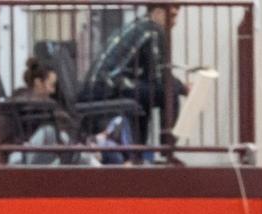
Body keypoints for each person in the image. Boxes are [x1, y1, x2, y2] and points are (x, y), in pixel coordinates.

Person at [78, 3, 186, 156]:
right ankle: (167, 149)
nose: (175, 22)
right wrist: (182, 88)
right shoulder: (153, 30)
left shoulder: (139, 26)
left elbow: (152, 75)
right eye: (173, 16)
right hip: (108, 87)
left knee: (146, 94)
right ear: (158, 12)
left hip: (99, 86)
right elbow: (159, 76)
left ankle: (138, 153)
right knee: (170, 93)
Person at [0, 57, 74, 165]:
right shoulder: (26, 103)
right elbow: (60, 120)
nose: (53, 91)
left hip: (32, 155)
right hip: (16, 157)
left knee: (79, 157)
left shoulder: (38, 103)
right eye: (51, 85)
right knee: (50, 132)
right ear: (38, 82)